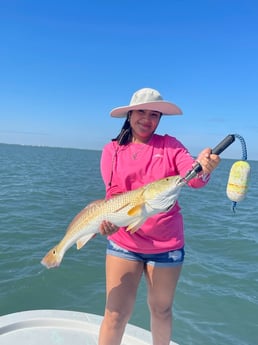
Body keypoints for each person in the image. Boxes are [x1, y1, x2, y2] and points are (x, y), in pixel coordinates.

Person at [98, 88, 220, 345]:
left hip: (166, 245)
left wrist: (204, 167)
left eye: (154, 114)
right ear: (130, 114)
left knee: (161, 310)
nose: (147, 119)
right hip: (124, 240)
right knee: (115, 312)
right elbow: (114, 193)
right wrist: (109, 223)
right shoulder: (112, 150)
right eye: (141, 111)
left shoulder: (170, 145)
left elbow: (193, 180)